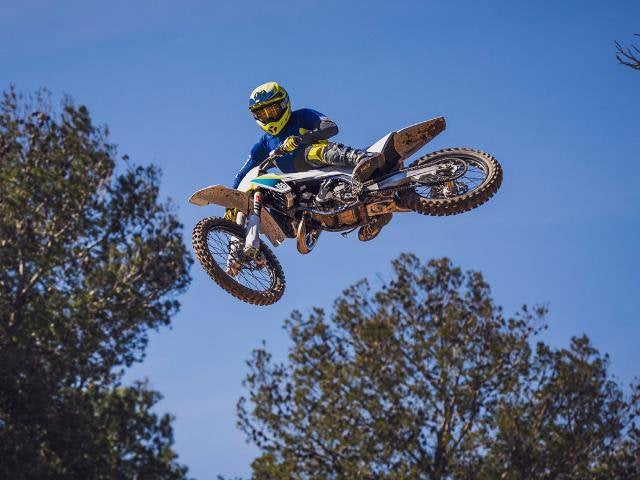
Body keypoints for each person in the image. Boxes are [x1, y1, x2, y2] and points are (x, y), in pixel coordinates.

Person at [229, 81, 392, 242]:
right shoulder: (264, 144)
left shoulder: (302, 116)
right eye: (263, 114)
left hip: (327, 164)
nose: (269, 117)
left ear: (284, 104)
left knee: (310, 152)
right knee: (275, 198)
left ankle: (360, 157)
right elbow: (243, 173)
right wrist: (231, 203)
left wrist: (300, 139)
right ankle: (313, 225)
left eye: (272, 110)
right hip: (303, 186)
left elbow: (331, 127)